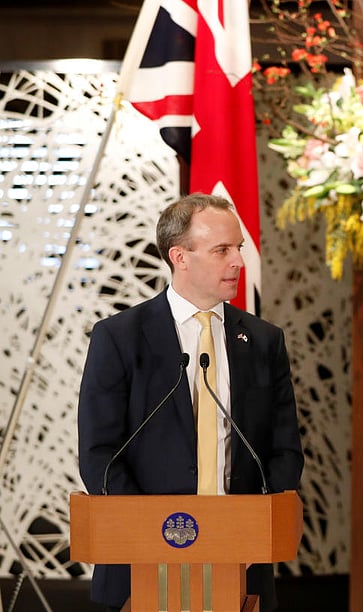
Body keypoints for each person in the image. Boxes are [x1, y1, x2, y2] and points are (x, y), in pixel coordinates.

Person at [78, 193, 304, 612]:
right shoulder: (120, 337)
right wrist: (150, 535)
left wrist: (254, 532)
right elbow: (100, 455)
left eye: (239, 247)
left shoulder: (263, 340)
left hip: (241, 562)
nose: (239, 261)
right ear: (179, 256)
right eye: (222, 250)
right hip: (141, 566)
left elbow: (284, 450)